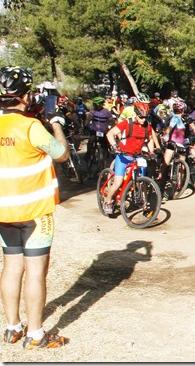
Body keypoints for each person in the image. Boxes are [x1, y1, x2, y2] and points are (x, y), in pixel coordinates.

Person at [0, 66, 70, 349]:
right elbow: (62, 154)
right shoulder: (30, 127)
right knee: (36, 271)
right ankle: (36, 333)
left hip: (4, 211)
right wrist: (55, 122)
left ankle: (11, 327)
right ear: (26, 97)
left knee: (11, 266)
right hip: (35, 212)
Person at [102, 102, 156, 214]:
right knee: (118, 182)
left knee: (142, 181)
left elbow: (150, 140)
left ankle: (145, 205)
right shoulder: (127, 123)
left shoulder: (148, 127)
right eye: (141, 117)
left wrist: (151, 152)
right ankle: (107, 201)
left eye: (145, 117)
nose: (143, 120)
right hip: (124, 155)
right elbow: (110, 133)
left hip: (138, 156)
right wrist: (114, 146)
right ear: (136, 114)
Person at [84, 96, 112, 163]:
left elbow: (112, 120)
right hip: (95, 130)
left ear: (98, 105)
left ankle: (105, 157)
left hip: (104, 131)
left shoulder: (106, 112)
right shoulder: (93, 112)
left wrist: (111, 128)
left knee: (105, 144)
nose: (93, 106)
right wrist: (86, 126)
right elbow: (88, 119)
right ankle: (88, 154)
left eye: (94, 105)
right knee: (90, 141)